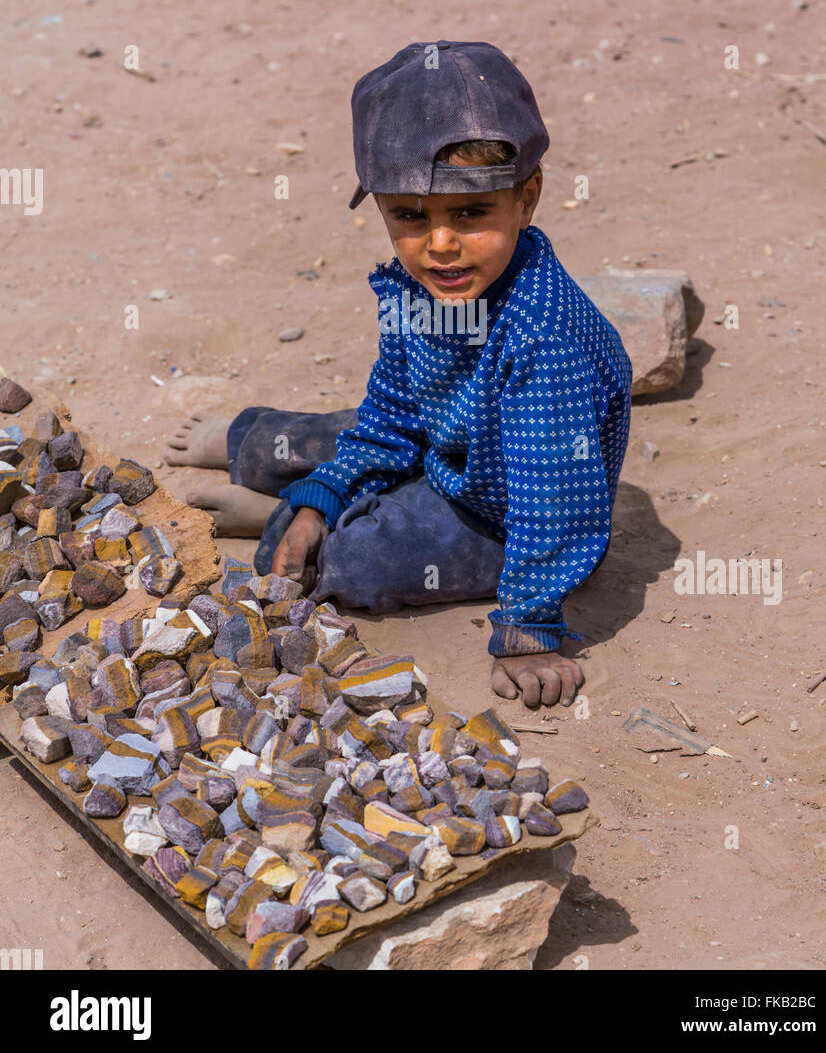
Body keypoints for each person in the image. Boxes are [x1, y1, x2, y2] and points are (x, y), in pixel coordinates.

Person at [166, 40, 632, 709]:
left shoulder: (543, 341)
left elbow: (552, 507)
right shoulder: (426, 293)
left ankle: (285, 515)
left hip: (503, 510)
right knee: (323, 438)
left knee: (361, 561)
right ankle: (255, 450)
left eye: (470, 215)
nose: (439, 243)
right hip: (450, 442)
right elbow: (390, 414)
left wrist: (530, 629)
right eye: (410, 217)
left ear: (527, 198)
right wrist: (324, 491)